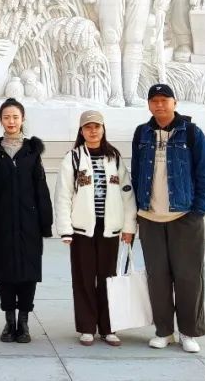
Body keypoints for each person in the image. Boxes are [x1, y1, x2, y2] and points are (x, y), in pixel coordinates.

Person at [131, 84, 205, 354]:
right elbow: (136, 172)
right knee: (157, 278)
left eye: (164, 100)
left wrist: (198, 210)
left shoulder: (191, 132)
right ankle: (164, 331)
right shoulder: (142, 133)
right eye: (154, 100)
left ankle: (188, 332)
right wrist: (137, 210)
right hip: (150, 217)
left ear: (174, 102)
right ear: (148, 104)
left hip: (184, 216)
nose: (159, 105)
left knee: (189, 277)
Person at [55, 110, 136, 347]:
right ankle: (87, 327)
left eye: (97, 127)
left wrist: (129, 227)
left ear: (103, 129)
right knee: (84, 278)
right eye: (88, 127)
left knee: (108, 278)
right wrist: (65, 229)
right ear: (81, 131)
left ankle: (109, 328)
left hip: (110, 228)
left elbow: (127, 194)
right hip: (82, 230)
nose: (93, 131)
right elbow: (63, 195)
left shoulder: (114, 157)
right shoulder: (73, 158)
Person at [0, 98, 52, 343]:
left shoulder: (32, 150)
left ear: (22, 119)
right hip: (1, 222)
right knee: (4, 272)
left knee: (29, 272)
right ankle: (9, 321)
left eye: (15, 117)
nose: (11, 121)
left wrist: (45, 222)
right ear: (0, 120)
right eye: (6, 117)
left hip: (29, 222)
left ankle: (24, 322)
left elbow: (41, 188)